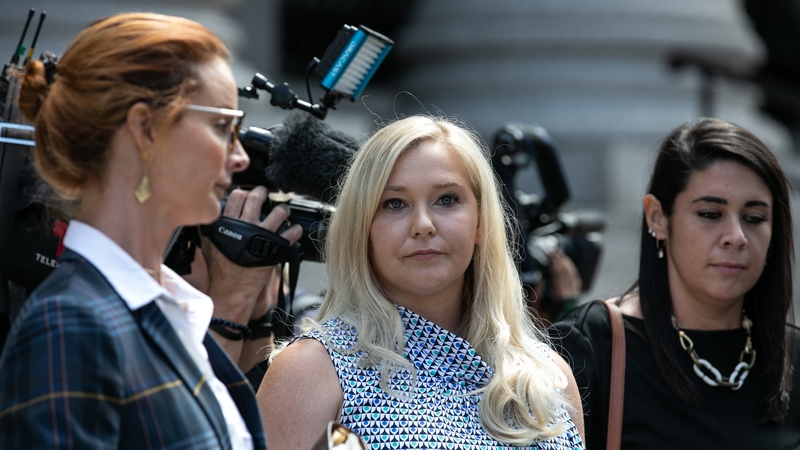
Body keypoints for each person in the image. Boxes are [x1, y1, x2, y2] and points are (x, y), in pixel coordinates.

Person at [0, 12, 299, 449]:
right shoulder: (71, 325)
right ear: (143, 129)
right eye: (222, 126)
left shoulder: (172, 310)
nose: (238, 157)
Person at [258, 115, 586, 449]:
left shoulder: (548, 376)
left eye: (447, 199)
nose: (423, 225)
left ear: (480, 222)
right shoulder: (310, 371)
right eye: (394, 204)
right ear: (362, 230)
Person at [550, 117, 800, 449]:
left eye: (754, 218)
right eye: (710, 214)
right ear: (657, 217)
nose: (737, 237)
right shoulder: (591, 346)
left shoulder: (791, 356)